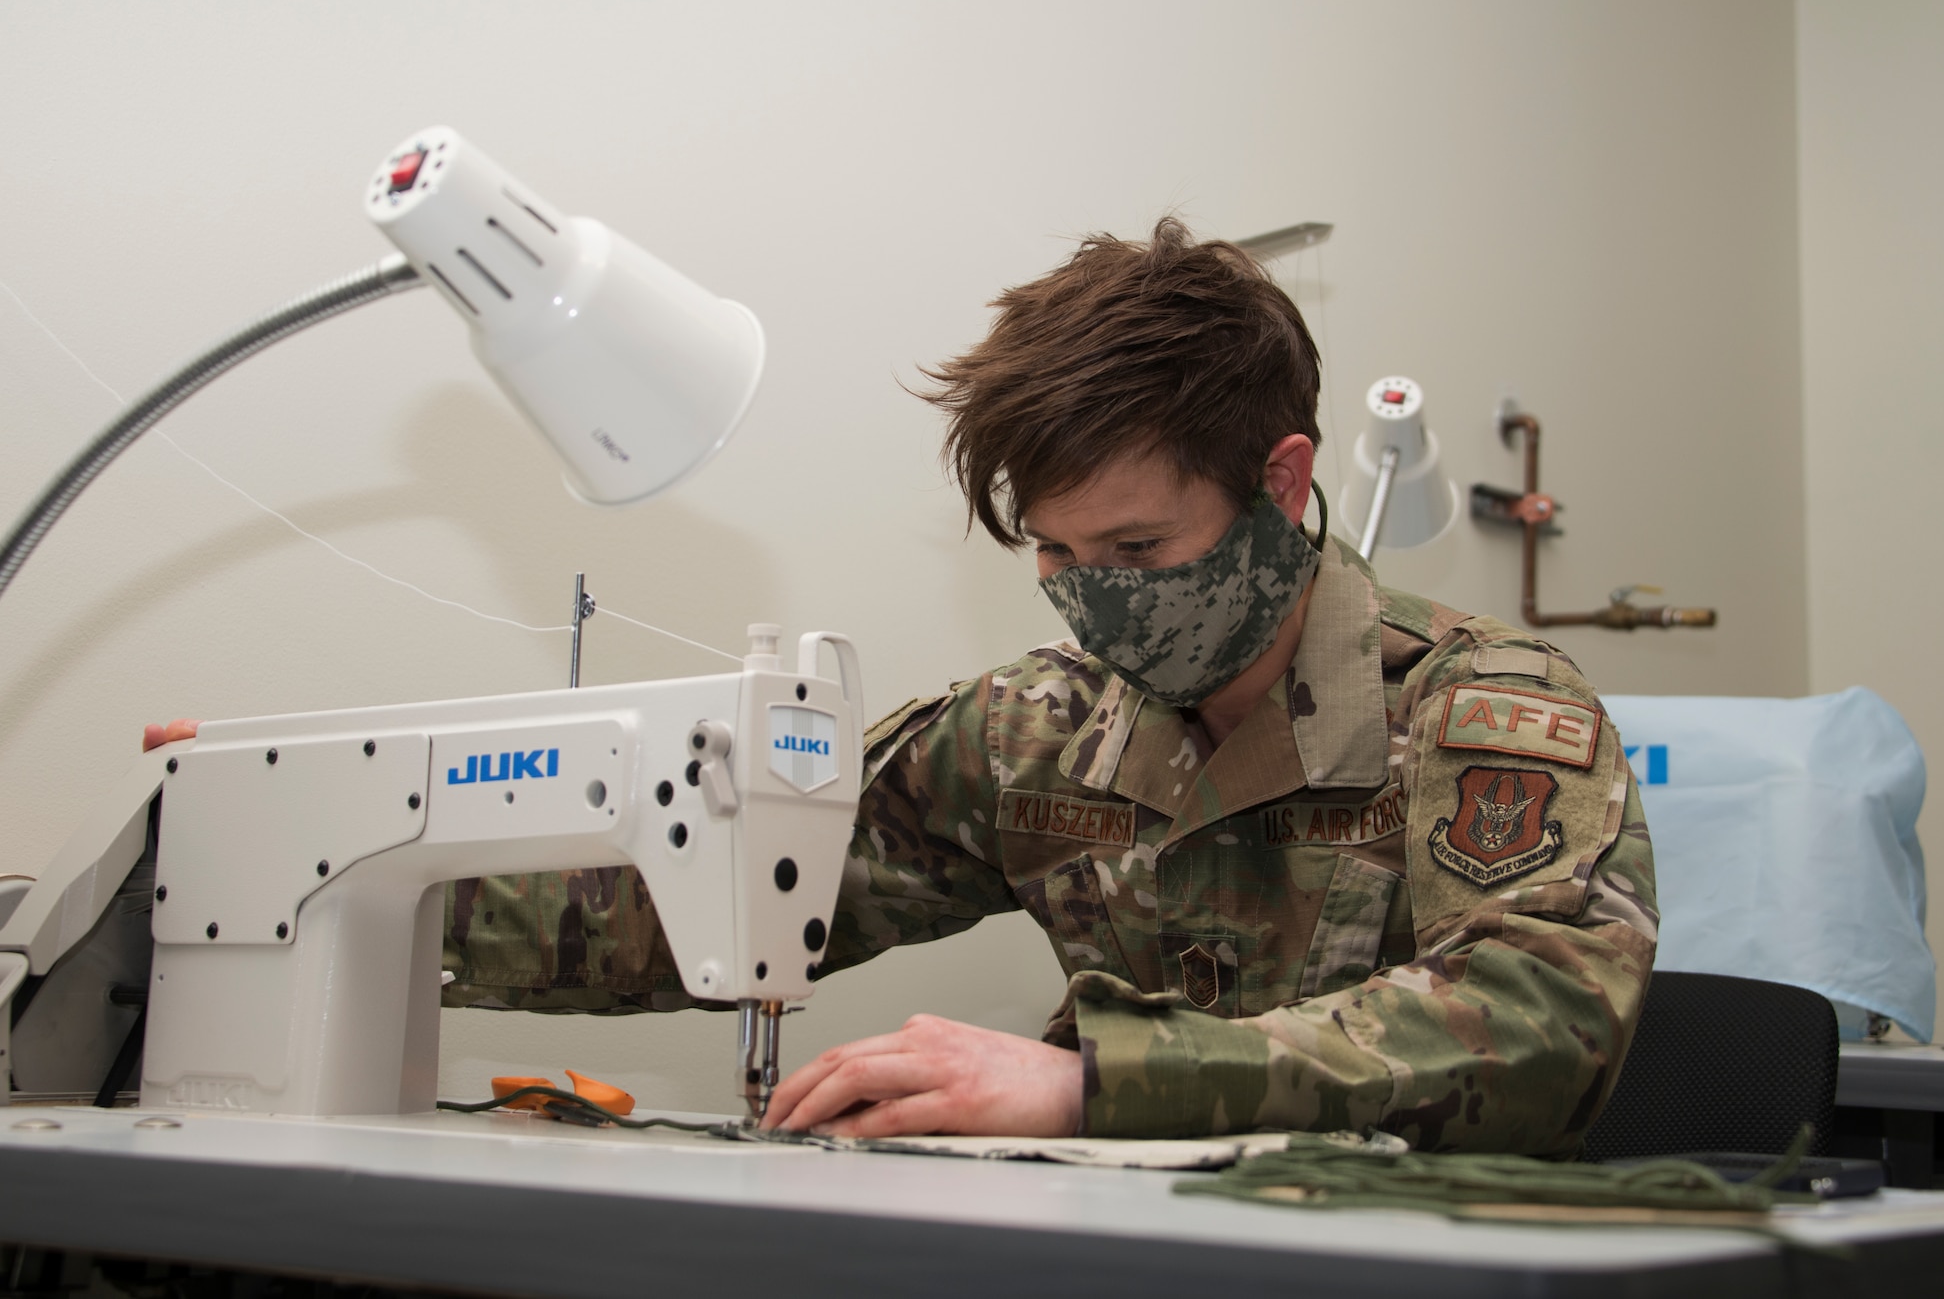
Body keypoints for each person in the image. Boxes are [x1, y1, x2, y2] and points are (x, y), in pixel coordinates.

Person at [147, 220, 1657, 1150]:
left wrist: (1089, 1084)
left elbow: (1534, 1023)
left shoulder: (1479, 713)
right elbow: (683, 897)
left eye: (1139, 542)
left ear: (1281, 481)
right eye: (1059, 554)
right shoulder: (1035, 737)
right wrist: (309, 859)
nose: (1096, 594)